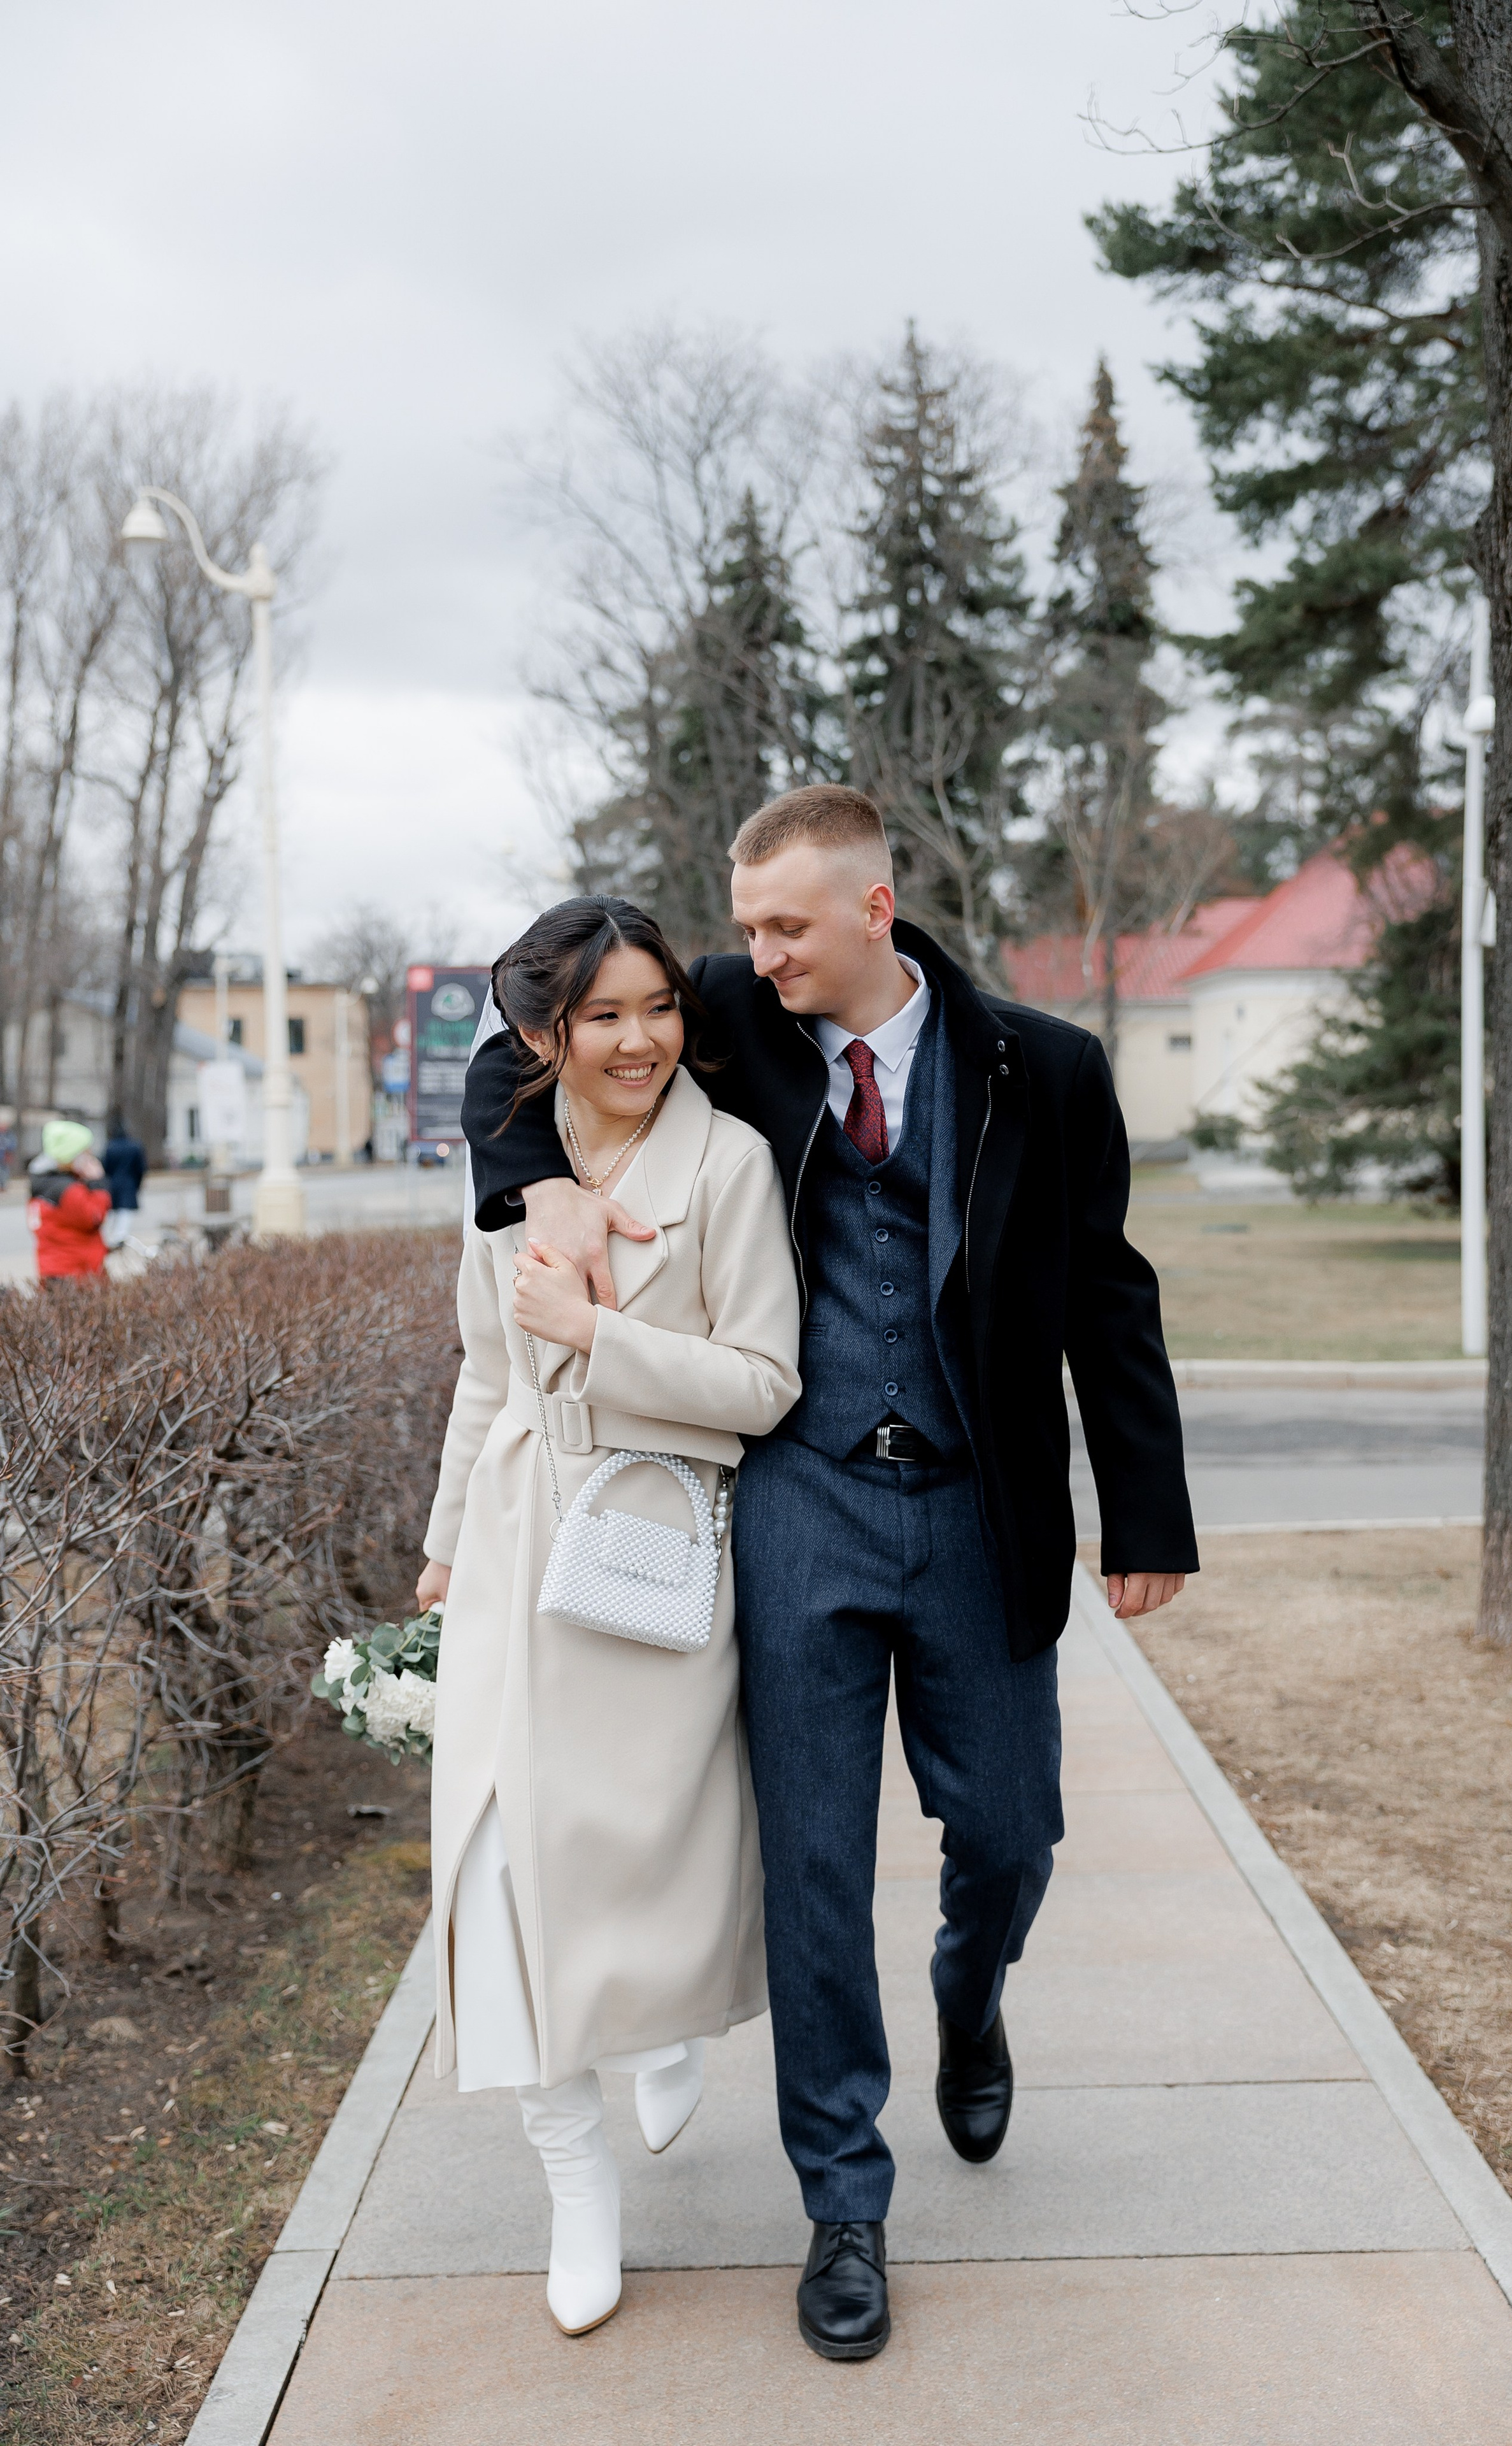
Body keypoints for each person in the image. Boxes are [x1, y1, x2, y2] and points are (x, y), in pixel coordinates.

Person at [462, 785, 1198, 2363]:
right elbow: (521, 1039)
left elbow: (1106, 1296)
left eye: (783, 922)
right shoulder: (734, 1008)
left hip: (977, 1505)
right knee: (808, 1866)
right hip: (798, 1505)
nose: (752, 952)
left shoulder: (1041, 1068)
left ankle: (971, 1987)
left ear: (874, 911)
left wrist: (1145, 1514)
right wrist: (529, 1186)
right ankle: (842, 2206)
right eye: (743, 927)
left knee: (1004, 1827)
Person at [417, 897, 801, 2340]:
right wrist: (446, 1543)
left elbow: (764, 1381)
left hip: (652, 1553)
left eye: (658, 1007)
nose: (639, 1039)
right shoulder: (511, 1175)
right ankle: (572, 2186)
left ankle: (657, 2026)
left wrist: (600, 1335)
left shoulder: (732, 1165)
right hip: (517, 1551)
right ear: (544, 1033)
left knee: (644, 1859)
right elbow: (476, 1370)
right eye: (603, 1016)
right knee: (504, 1866)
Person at [27, 1119, 112, 1281]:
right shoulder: (69, 1190)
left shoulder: (43, 1182)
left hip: (53, 1266)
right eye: (86, 1153)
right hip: (75, 1270)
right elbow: (94, 1217)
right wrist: (98, 1183)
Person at [100, 1115, 148, 1250]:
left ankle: (112, 1238)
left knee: (113, 1212)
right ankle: (119, 1239)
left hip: (112, 1184)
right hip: (129, 1184)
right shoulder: (135, 1146)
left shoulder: (110, 1147)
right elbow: (141, 1168)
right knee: (125, 1212)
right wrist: (138, 1184)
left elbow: (105, 1167)